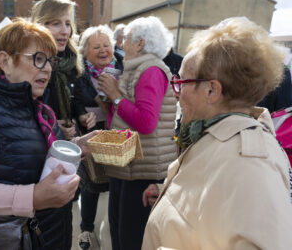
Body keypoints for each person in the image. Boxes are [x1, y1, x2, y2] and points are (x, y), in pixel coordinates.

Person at [0, 19, 97, 250]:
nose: (48, 68)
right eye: (38, 58)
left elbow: (29, 162)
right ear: (5, 61)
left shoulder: (39, 108)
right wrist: (32, 197)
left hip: (48, 234)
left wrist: (75, 148)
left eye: (50, 60)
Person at [142, 17, 292, 250]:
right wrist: (169, 194)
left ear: (212, 90)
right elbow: (217, 202)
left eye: (181, 82)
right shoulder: (215, 135)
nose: (176, 93)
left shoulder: (252, 163)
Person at [97, 16, 177, 250]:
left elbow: (146, 122)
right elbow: (123, 119)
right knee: (119, 233)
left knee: (130, 238)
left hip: (142, 171)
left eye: (127, 38)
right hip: (130, 165)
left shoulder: (151, 70)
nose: (121, 44)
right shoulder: (138, 68)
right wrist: (109, 99)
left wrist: (116, 96)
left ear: (141, 43)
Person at [76, 25, 124, 250]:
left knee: (115, 181)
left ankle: (112, 229)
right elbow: (73, 101)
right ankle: (86, 229)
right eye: (97, 47)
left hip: (117, 131)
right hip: (90, 133)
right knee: (90, 184)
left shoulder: (122, 68)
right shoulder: (79, 73)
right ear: (85, 51)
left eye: (107, 45)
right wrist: (82, 115)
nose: (104, 50)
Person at [31, 0, 96, 140]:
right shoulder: (29, 61)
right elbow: (21, 108)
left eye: (68, 24)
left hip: (67, 145)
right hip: (37, 146)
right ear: (40, 25)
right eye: (56, 24)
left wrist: (82, 115)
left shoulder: (71, 60)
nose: (65, 31)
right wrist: (51, 125)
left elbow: (75, 98)